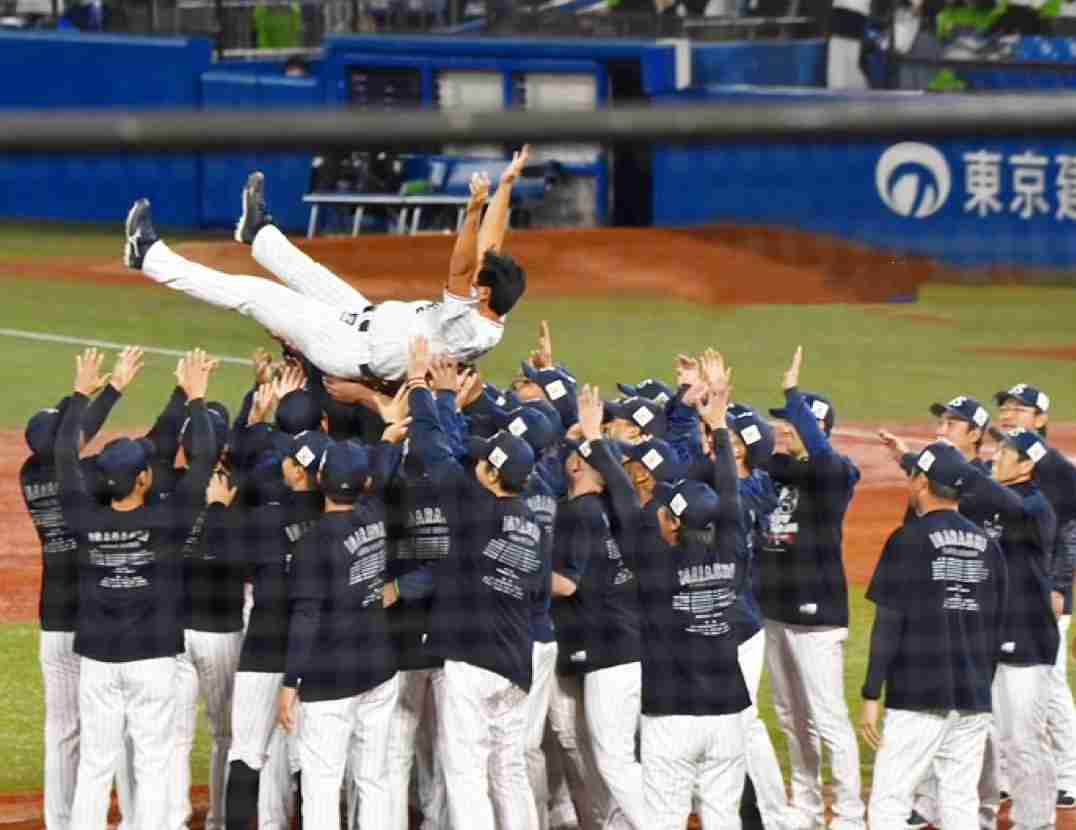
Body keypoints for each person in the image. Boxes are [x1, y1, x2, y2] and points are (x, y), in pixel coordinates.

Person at [123, 148, 532, 386]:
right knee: (311, 273)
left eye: (480, 279)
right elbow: (489, 247)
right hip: (364, 320)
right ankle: (258, 234)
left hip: (347, 348)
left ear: (483, 293)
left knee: (253, 293)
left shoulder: (468, 326)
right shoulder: (490, 308)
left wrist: (474, 209)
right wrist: (508, 183)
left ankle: (149, 256)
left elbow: (462, 265)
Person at [59, 348, 218, 830]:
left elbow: (64, 454)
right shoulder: (168, 518)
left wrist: (83, 394)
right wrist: (196, 399)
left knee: (95, 765)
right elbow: (206, 456)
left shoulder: (83, 516)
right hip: (152, 661)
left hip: (99, 662)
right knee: (152, 764)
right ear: (145, 479)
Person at [405, 335, 542, 830]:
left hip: (472, 661)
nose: (474, 462)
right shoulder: (528, 518)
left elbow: (430, 447)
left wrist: (428, 388)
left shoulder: (473, 507)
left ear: (488, 475)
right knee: (508, 770)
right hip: (514, 661)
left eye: (482, 461)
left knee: (465, 772)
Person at [860, 441, 1008, 830]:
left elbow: (889, 622)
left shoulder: (907, 540)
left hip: (918, 695)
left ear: (921, 482)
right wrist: (981, 686)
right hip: (974, 695)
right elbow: (995, 627)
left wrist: (872, 693)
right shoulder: (990, 547)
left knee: (889, 801)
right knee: (960, 802)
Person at [22, 347, 140, 830]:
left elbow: (72, 438)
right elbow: (76, 440)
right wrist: (107, 390)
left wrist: (98, 393)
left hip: (52, 616)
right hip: (90, 618)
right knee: (110, 727)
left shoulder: (32, 473)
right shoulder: (86, 480)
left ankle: (61, 820)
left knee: (61, 730)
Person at [758, 346, 865, 830]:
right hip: (775, 611)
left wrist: (793, 393)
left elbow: (822, 457)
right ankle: (803, 803)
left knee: (828, 718)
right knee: (789, 714)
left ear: (816, 428)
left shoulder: (836, 475)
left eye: (792, 421)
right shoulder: (780, 469)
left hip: (818, 615)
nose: (782, 427)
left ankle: (847, 812)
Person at [277, 440, 399, 830]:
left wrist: (290, 680)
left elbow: (306, 615)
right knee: (374, 778)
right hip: (380, 667)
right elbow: (378, 476)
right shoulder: (375, 515)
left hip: (331, 677)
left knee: (322, 784)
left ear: (320, 478)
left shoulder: (314, 542)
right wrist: (385, 442)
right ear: (362, 483)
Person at [994, 382, 1076, 810]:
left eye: (1020, 409)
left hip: (1044, 598)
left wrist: (1061, 586)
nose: (1009, 415)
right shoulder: (1003, 465)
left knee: (1051, 687)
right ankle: (1007, 776)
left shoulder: (1060, 472)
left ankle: (1069, 775)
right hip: (1008, 600)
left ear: (1041, 420)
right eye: (1005, 408)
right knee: (1001, 690)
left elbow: (1070, 532)